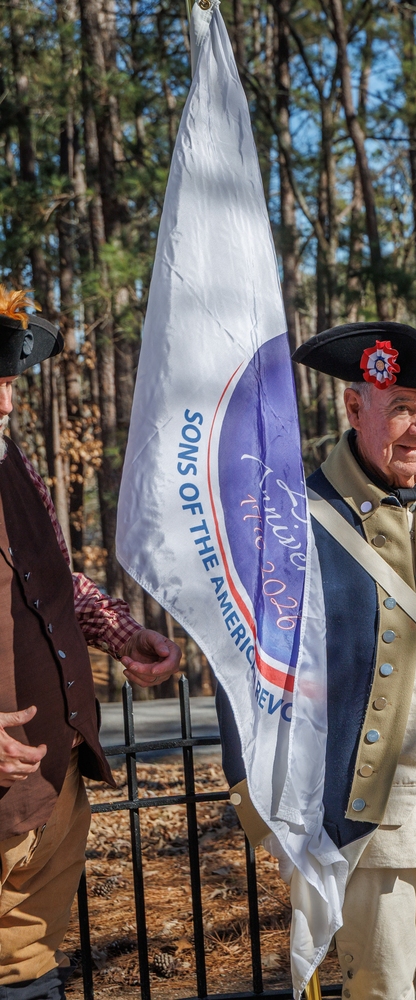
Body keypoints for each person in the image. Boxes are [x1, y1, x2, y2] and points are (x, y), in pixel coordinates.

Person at [219, 308, 416, 1000]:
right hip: (366, 820)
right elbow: (245, 668)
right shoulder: (292, 521)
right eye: (401, 408)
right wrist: (259, 805)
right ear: (353, 407)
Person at [0, 290, 182, 999]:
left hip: (53, 780)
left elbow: (56, 582)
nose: (6, 402)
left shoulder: (14, 464)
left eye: (9, 382)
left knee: (30, 971)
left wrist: (123, 633)